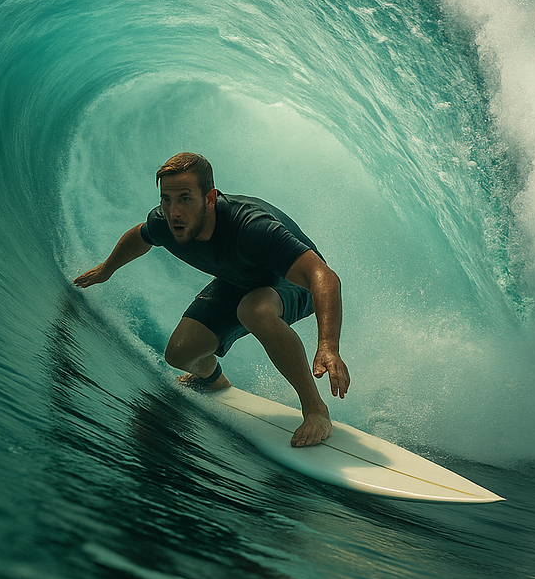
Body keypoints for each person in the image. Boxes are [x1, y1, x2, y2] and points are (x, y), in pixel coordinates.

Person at [73, 152, 350, 447]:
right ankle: (213, 380)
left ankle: (315, 410)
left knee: (254, 310)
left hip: (294, 283)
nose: (173, 211)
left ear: (209, 198)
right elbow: (141, 236)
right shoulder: (165, 223)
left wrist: (328, 346)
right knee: (179, 355)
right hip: (239, 279)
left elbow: (325, 276)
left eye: (184, 198)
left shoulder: (252, 227)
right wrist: (106, 269)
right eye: (166, 199)